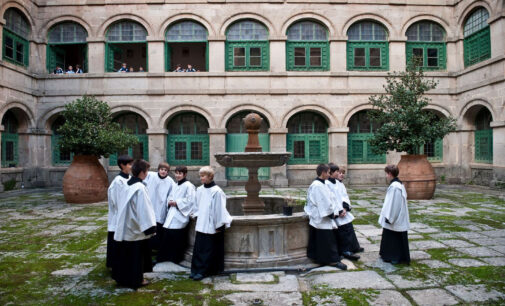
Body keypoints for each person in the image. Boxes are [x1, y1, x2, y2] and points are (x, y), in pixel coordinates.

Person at [113, 159, 157, 289]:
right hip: (136, 227)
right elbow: (144, 209)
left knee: (126, 255)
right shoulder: (140, 188)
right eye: (147, 170)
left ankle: (123, 278)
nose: (148, 173)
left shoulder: (127, 184)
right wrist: (150, 227)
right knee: (136, 256)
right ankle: (136, 280)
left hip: (126, 224)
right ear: (143, 172)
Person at [190, 166, 232, 281]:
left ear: (210, 177)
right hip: (201, 223)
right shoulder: (199, 190)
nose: (201, 178)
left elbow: (220, 209)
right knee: (199, 248)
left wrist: (219, 225)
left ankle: (204, 271)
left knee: (207, 250)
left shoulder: (217, 191)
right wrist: (195, 215)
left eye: (203, 176)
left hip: (211, 225)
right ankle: (195, 270)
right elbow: (196, 205)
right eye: (200, 176)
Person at [305, 164, 347, 270]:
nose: (329, 175)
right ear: (323, 173)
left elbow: (331, 198)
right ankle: (332, 260)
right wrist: (331, 213)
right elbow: (323, 201)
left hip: (322, 216)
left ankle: (323, 258)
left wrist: (337, 210)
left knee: (324, 239)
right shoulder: (317, 185)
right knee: (327, 240)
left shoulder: (322, 184)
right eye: (328, 172)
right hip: (321, 217)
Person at [158, 165, 196, 264]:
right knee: (167, 235)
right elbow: (170, 196)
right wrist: (170, 201)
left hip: (180, 215)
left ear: (185, 174)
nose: (178, 175)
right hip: (172, 213)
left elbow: (191, 200)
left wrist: (177, 203)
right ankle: (165, 257)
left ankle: (175, 258)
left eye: (180, 173)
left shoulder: (188, 186)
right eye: (176, 173)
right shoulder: (175, 185)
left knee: (176, 238)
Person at [326, 164, 363, 261]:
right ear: (331, 173)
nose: (339, 174)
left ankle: (353, 247)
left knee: (349, 227)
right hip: (336, 212)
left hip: (343, 210)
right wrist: (338, 211)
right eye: (337, 172)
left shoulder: (339, 184)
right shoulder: (326, 184)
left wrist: (345, 208)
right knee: (342, 231)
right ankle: (345, 250)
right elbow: (330, 199)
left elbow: (344, 196)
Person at [379, 165, 410, 265]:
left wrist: (390, 217)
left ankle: (394, 257)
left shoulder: (395, 187)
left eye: (386, 174)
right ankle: (389, 255)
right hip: (394, 216)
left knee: (394, 237)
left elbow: (394, 204)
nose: (386, 176)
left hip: (394, 217)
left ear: (390, 174)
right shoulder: (398, 185)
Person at [106, 155, 133, 269]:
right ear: (122, 165)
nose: (131, 167)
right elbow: (116, 202)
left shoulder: (128, 178)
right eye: (129, 164)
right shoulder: (118, 181)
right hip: (118, 216)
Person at [144, 162, 176, 254]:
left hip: (161, 206)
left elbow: (172, 193)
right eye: (162, 169)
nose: (163, 171)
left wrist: (170, 201)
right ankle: (148, 247)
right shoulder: (151, 175)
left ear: (168, 172)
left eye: (165, 170)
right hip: (150, 203)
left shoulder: (170, 181)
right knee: (149, 224)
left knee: (158, 227)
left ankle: (156, 247)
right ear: (158, 169)